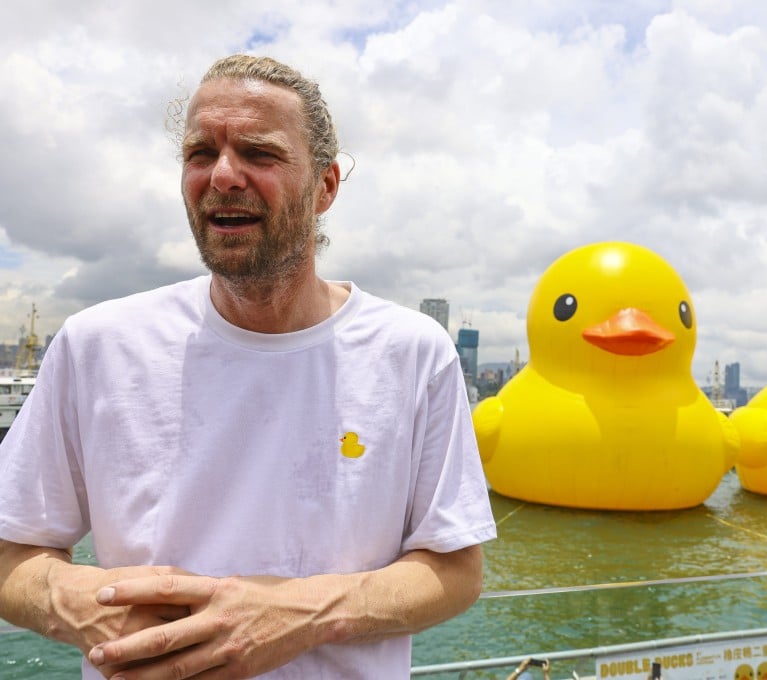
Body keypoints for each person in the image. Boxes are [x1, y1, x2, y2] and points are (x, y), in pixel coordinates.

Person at [0, 54, 497, 679]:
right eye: (200, 153)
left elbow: (455, 570)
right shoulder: (95, 345)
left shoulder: (414, 354)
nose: (223, 176)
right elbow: (12, 554)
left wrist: (298, 613)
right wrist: (80, 602)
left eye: (260, 154)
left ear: (326, 187)